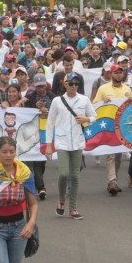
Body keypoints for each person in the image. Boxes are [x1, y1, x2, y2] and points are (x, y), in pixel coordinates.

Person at [46, 73, 96, 219]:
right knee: (63, 173)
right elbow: (50, 123)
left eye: (76, 84)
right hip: (62, 142)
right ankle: (61, 199)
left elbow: (94, 116)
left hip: (78, 142)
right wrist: (49, 146)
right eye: (71, 83)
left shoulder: (84, 99)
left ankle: (73, 208)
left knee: (75, 176)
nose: (74, 86)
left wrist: (86, 118)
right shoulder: (57, 101)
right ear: (65, 84)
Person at [92, 64, 132, 196]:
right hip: (109, 125)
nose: (118, 75)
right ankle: (112, 181)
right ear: (111, 74)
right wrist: (103, 101)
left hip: (122, 125)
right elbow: (94, 104)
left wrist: (131, 100)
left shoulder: (127, 89)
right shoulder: (103, 88)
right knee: (110, 154)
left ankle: (114, 180)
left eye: (120, 73)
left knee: (119, 155)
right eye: (116, 73)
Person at [23, 74, 56, 200]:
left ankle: (38, 184)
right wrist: (34, 108)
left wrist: (46, 110)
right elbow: (25, 114)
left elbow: (57, 112)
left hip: (47, 131)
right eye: (38, 87)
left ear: (46, 85)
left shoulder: (53, 97)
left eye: (42, 86)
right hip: (34, 132)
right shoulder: (30, 97)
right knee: (35, 161)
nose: (40, 89)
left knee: (41, 162)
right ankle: (41, 187)